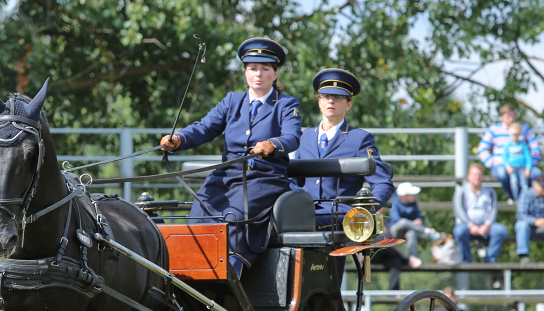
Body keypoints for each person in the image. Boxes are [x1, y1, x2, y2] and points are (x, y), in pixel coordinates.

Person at [159, 37, 302, 277]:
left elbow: (292, 137)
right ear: (245, 73)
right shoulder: (232, 101)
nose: (259, 74)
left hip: (264, 177)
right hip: (228, 174)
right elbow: (205, 128)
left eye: (265, 69)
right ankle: (189, 273)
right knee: (200, 210)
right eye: (253, 69)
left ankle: (229, 272)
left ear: (275, 74)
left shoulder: (286, 104)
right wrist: (179, 140)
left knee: (233, 216)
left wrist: (271, 144)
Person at [293, 68, 394, 229]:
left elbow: (383, 183)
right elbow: (293, 180)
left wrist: (364, 210)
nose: (331, 101)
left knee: (298, 224)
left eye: (338, 97)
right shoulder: (305, 137)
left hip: (341, 215)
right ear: (319, 102)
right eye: (325, 96)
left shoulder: (359, 139)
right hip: (304, 210)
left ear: (349, 104)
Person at [477, 103, 541, 203]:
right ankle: (513, 197)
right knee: (502, 173)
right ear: (502, 116)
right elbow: (482, 148)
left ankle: (531, 201)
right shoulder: (494, 129)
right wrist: (492, 162)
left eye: (513, 115)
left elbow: (535, 147)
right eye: (508, 116)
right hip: (503, 165)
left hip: (523, 165)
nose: (511, 119)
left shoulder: (524, 129)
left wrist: (530, 165)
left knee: (537, 174)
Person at [452, 164, 508, 263]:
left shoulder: (490, 192)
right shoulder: (461, 192)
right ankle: (466, 260)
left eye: (479, 175)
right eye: (474, 175)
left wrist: (487, 224)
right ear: (469, 176)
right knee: (459, 231)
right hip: (466, 226)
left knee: (501, 231)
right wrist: (470, 225)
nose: (477, 177)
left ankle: (490, 260)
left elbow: (493, 209)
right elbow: (459, 210)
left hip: (486, 226)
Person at [389, 182, 442, 268]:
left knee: (411, 233)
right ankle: (427, 231)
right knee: (403, 222)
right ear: (404, 196)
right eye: (411, 194)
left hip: (410, 231)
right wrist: (412, 223)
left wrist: (419, 221)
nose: (413, 196)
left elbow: (419, 217)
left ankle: (413, 258)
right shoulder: (394, 203)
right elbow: (397, 220)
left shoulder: (413, 204)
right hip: (395, 231)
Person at [502, 123, 532, 200]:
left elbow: (528, 158)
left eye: (516, 135)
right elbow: (504, 158)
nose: (515, 137)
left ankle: (525, 199)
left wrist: (528, 168)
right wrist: (507, 166)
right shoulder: (507, 145)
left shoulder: (523, 145)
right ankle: (515, 199)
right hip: (512, 168)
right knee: (513, 183)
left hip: (522, 167)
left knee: (524, 183)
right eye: (513, 134)